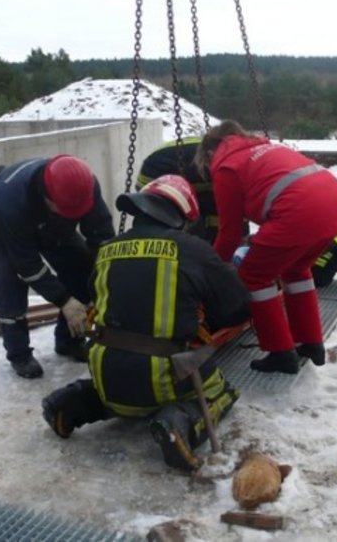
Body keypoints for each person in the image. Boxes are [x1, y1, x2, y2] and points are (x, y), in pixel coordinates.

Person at [41, 174, 249, 471]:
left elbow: (99, 298)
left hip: (105, 369)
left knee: (116, 394)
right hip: (161, 377)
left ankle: (71, 402)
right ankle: (179, 422)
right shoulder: (193, 249)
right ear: (181, 216)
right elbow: (236, 307)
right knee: (221, 389)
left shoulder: (106, 250)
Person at [196, 120, 337, 375]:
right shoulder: (267, 149)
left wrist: (211, 273)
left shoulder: (227, 167)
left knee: (253, 276)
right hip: (336, 204)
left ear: (211, 152)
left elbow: (230, 234)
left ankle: (280, 353)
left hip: (300, 212)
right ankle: (310, 342)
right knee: (297, 270)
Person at [0, 155, 114, 379]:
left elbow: (101, 234)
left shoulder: (84, 185)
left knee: (81, 266)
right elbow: (27, 265)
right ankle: (19, 354)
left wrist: (108, 274)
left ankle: (69, 341)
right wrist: (64, 300)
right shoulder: (10, 205)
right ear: (47, 197)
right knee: (7, 280)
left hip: (51, 224)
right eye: (64, 210)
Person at [136, 137, 219, 242]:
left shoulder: (231, 157)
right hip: (157, 172)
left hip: (162, 162)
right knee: (164, 224)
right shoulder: (230, 174)